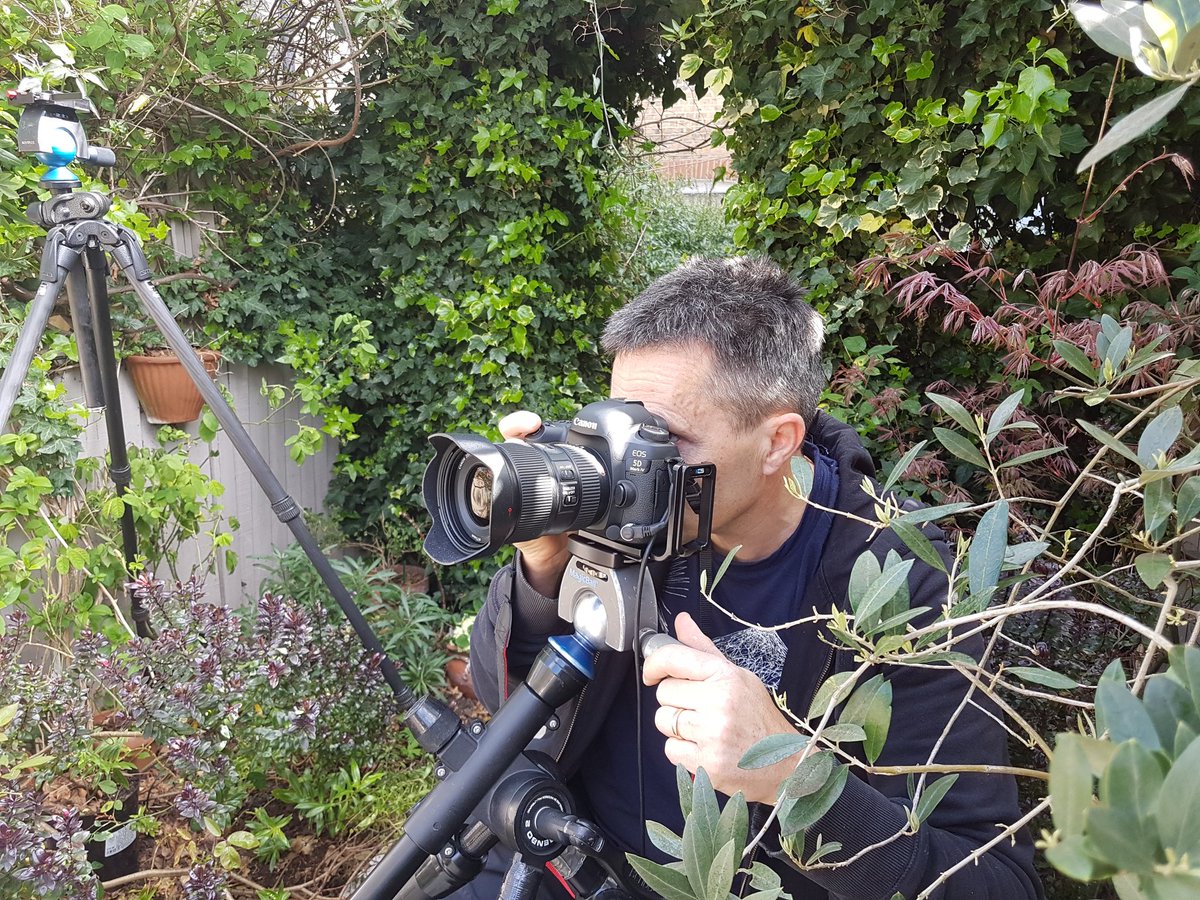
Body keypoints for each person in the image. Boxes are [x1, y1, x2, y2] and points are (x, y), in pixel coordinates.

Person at [458, 257, 1044, 899]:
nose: (624, 464)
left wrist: (796, 779)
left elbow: (993, 884)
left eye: (662, 437)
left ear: (777, 442)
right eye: (620, 422)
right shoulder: (629, 516)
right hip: (565, 859)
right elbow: (505, 697)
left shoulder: (903, 585)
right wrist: (542, 571)